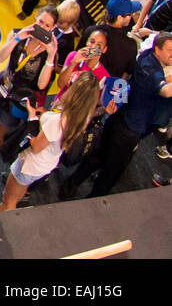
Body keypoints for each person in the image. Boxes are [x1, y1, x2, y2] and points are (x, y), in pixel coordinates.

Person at [63, 33, 172, 198]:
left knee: (98, 155)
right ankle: (94, 200)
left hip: (120, 114)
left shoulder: (146, 56)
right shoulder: (151, 70)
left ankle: (70, 185)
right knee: (112, 169)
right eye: (170, 50)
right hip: (130, 127)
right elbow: (166, 91)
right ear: (157, 49)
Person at [0, 72, 102, 213]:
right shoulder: (83, 118)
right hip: (46, 163)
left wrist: (32, 118)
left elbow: (36, 146)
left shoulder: (57, 122)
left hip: (31, 163)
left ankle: (1, 225)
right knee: (19, 191)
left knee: (9, 199)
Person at [0, 12, 59, 187]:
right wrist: (16, 38)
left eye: (47, 26)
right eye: (40, 22)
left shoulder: (49, 53)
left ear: (53, 29)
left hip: (18, 99)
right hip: (1, 88)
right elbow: (0, 58)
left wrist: (51, 57)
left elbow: (42, 84)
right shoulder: (19, 34)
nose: (42, 27)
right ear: (35, 19)